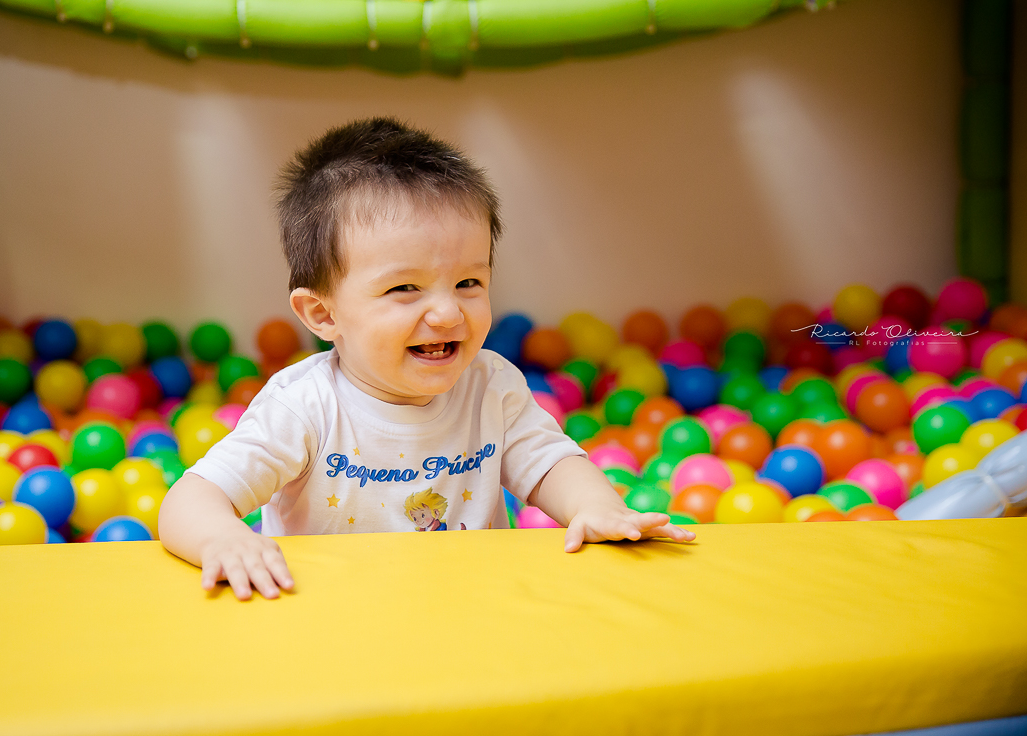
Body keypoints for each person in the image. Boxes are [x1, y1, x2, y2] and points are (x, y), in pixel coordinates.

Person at [158, 117, 695, 600]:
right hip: (336, 615)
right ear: (323, 314)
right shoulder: (303, 407)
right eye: (405, 289)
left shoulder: (490, 386)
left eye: (468, 282)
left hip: (470, 607)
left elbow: (551, 463)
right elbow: (190, 500)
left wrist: (595, 507)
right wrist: (223, 538)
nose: (447, 313)